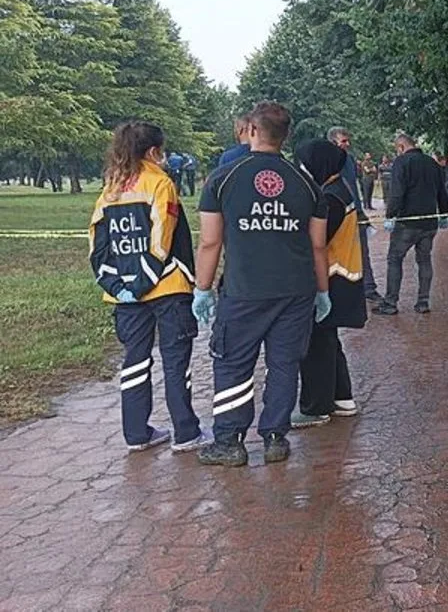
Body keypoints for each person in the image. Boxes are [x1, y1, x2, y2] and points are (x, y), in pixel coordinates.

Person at [192, 101, 331, 467]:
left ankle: (230, 441)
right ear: (285, 137)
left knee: (234, 362)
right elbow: (318, 244)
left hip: (244, 290)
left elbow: (209, 241)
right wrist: (322, 291)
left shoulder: (222, 179)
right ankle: (275, 438)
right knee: (284, 363)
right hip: (296, 290)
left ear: (252, 130)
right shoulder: (307, 184)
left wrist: (202, 288)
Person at [88, 121, 206, 453]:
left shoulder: (110, 189)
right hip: (166, 287)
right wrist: (144, 282)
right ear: (154, 152)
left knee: (135, 361)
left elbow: (97, 243)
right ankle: (186, 433)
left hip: (123, 294)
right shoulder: (160, 183)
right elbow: (162, 239)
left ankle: (136, 433)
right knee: (175, 360)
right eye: (163, 152)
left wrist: (115, 283)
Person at [292, 140, 367, 427]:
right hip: (341, 276)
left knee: (315, 346)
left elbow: (316, 243)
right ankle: (341, 398)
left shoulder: (330, 198)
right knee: (328, 342)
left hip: (332, 278)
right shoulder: (337, 191)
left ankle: (315, 408)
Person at [377, 132, 448, 315]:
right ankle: (423, 302)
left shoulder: (401, 163)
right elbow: (442, 192)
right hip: (429, 223)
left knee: (395, 259)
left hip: (407, 223)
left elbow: (397, 192)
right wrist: (444, 214)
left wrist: (390, 215)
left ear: (401, 147)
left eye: (397, 149)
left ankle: (391, 303)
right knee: (424, 260)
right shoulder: (433, 163)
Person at [328, 127, 381, 302]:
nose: (347, 144)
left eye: (347, 140)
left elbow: (352, 185)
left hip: (356, 213)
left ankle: (368, 287)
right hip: (336, 214)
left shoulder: (350, 160)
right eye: (343, 141)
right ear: (333, 142)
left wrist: (360, 210)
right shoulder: (326, 161)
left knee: (362, 251)